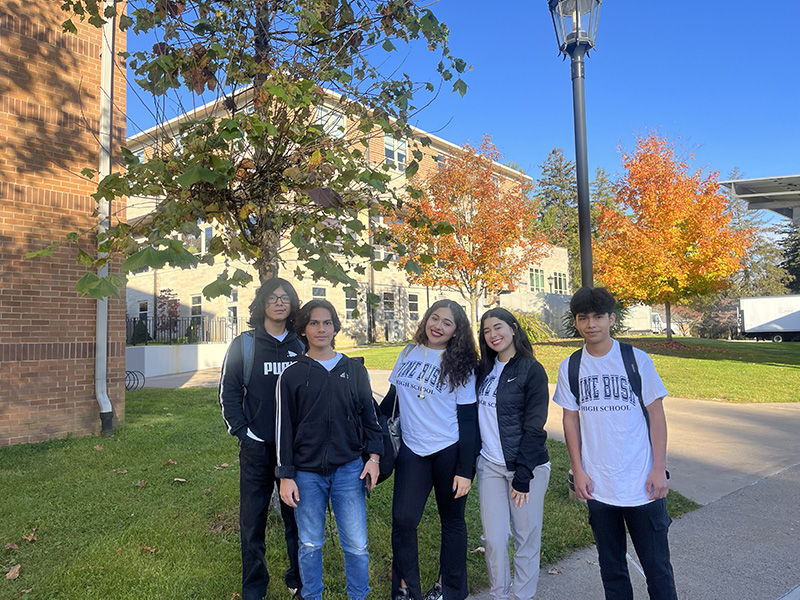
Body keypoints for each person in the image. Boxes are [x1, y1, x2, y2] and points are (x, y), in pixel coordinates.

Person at [553, 287, 677, 600]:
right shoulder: (571, 366)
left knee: (657, 568)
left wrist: (658, 469)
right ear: (576, 322)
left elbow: (656, 415)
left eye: (598, 317)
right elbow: (570, 420)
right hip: (599, 485)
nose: (591, 324)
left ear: (611, 318)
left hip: (642, 484)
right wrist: (577, 469)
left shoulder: (636, 360)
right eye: (583, 318)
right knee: (612, 569)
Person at [275, 299, 383, 600]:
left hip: (349, 469)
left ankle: (358, 596)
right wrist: (286, 475)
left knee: (357, 545)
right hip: (306, 474)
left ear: (335, 327)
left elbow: (369, 417)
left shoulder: (354, 370)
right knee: (309, 544)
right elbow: (283, 428)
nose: (321, 329)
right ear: (304, 330)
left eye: (326, 322)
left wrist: (373, 458)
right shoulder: (292, 374)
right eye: (313, 323)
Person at [219, 278, 304, 600]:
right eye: (273, 297)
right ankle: (254, 588)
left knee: (295, 519)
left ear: (292, 304)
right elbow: (228, 391)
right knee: (252, 523)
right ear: (262, 303)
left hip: (294, 452)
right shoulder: (245, 344)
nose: (280, 302)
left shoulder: (301, 343)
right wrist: (244, 433)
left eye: (286, 298)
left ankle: (299, 581)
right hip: (257, 448)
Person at [389, 299, 479, 600]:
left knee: (452, 522)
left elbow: (468, 420)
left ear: (456, 331)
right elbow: (391, 401)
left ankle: (449, 589)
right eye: (435, 318)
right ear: (426, 319)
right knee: (403, 520)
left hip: (448, 450)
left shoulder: (462, 365)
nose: (438, 326)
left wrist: (465, 470)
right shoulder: (407, 352)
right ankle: (405, 588)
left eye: (447, 323)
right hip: (412, 450)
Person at [475, 308, 550, 600]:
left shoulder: (531, 370)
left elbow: (535, 427)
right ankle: (499, 594)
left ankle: (522, 595)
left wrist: (522, 475)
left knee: (525, 539)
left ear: (514, 328)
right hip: (490, 466)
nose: (493, 335)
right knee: (493, 539)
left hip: (526, 468)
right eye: (486, 331)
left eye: (498, 327)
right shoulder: (483, 370)